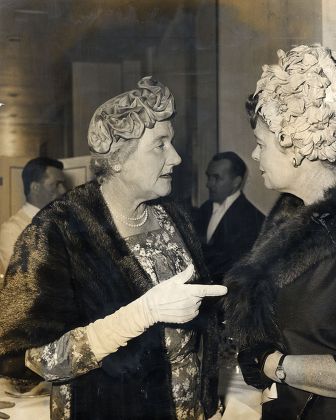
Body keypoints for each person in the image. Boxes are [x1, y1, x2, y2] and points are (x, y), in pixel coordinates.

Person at [0, 77, 227, 420]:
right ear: (118, 158)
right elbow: (28, 357)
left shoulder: (173, 217)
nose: (177, 158)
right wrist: (140, 314)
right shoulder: (60, 231)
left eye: (173, 143)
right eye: (160, 145)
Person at [224, 44, 336, 419]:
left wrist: (275, 364)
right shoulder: (287, 216)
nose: (255, 157)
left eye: (260, 144)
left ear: (296, 143)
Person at [195, 152, 264, 283]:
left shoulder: (253, 220)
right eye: (209, 177)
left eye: (216, 178)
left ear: (236, 182)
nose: (209, 184)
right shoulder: (204, 209)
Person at [0, 157, 66, 274]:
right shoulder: (12, 229)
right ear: (35, 188)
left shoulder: (62, 223)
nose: (63, 191)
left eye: (63, 184)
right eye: (56, 184)